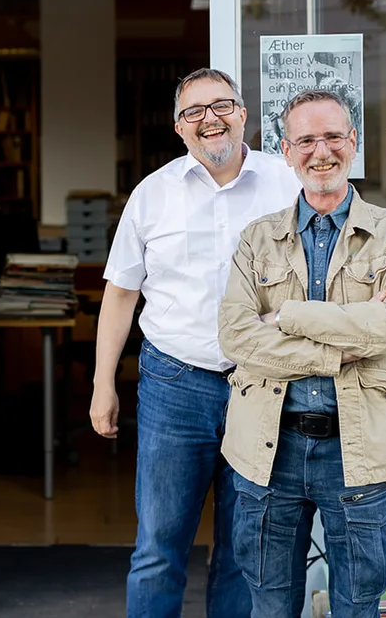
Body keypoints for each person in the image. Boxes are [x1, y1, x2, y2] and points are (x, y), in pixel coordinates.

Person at [89, 68, 300, 617]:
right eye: (194, 111)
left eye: (221, 105)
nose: (209, 119)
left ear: (244, 114)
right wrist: (101, 385)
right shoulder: (152, 194)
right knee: (159, 547)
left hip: (265, 387)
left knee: (243, 551)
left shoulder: (288, 183)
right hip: (173, 385)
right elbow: (119, 297)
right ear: (179, 128)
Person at [217, 89, 386, 618]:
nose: (321, 151)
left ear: (353, 143)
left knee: (359, 604)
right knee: (270, 604)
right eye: (305, 140)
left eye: (332, 136)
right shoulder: (256, 239)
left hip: (360, 451)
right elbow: (237, 336)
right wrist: (337, 350)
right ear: (286, 152)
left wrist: (287, 315)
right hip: (270, 448)